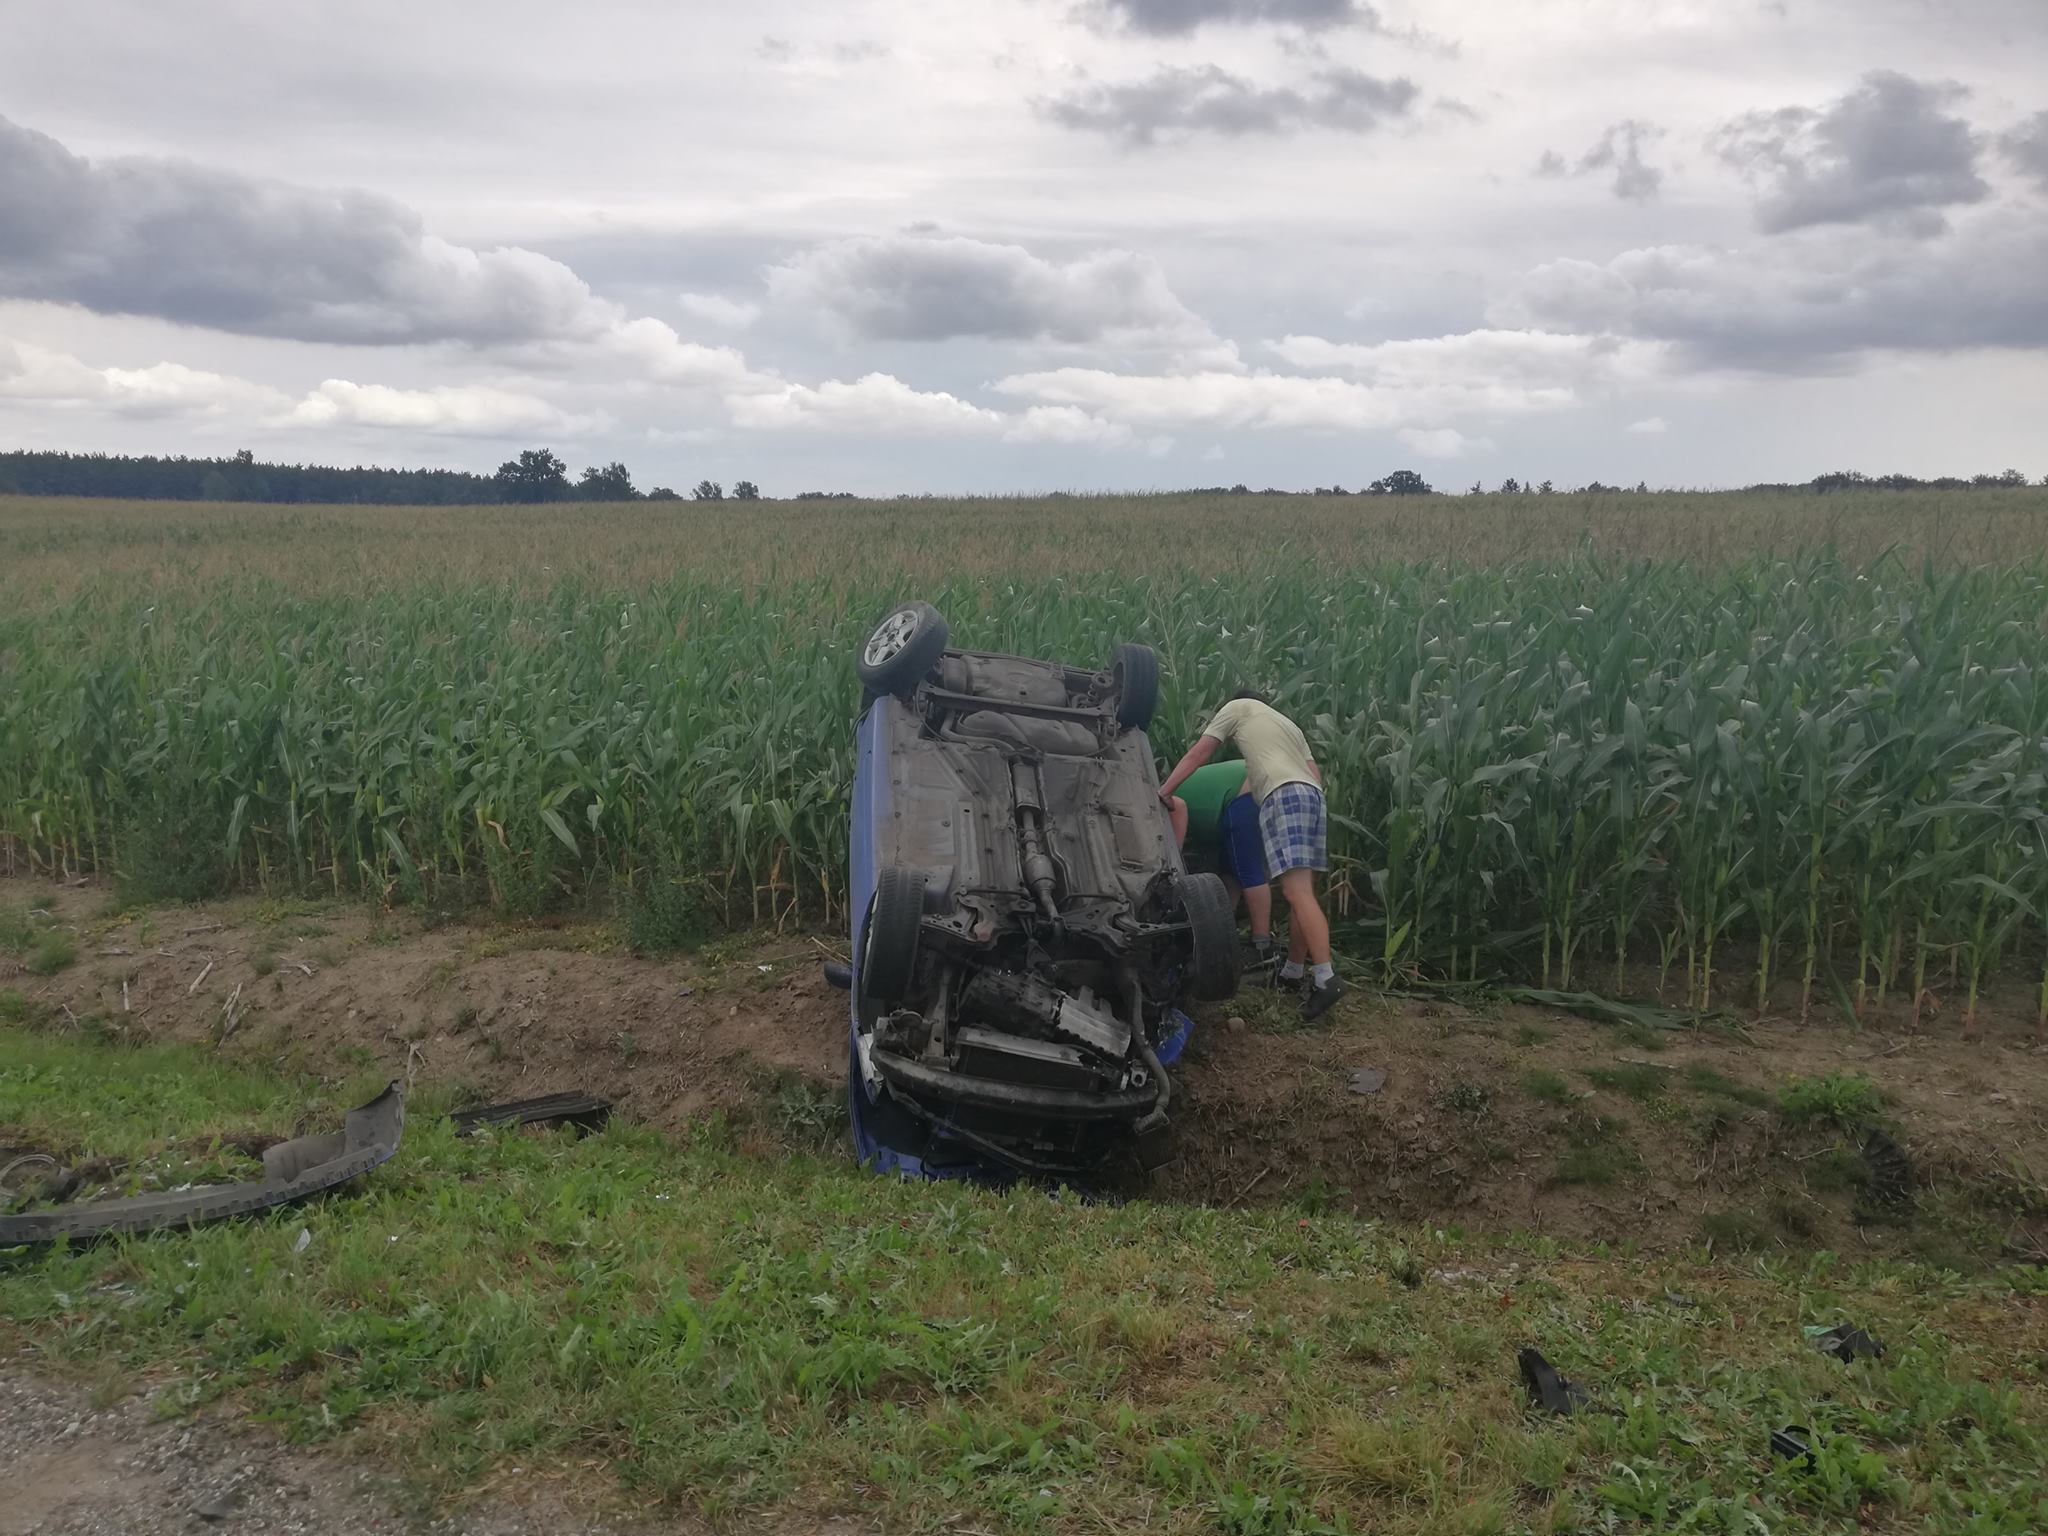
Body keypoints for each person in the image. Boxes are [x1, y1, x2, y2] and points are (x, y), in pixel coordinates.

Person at [1159, 691, 1344, 1020]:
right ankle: (1292, 971)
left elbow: (1200, 752)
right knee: (1303, 894)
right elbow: (1314, 773)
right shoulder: (1289, 726)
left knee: (1296, 892)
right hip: (1312, 796)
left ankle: (1326, 978)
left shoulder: (1237, 707)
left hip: (1282, 793)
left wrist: (1163, 791)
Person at [1165, 758, 1275, 967]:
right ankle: (1225, 933)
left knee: (1248, 870)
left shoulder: (1161, 798)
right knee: (1232, 870)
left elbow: (1177, 808)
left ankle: (1262, 948)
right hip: (1261, 785)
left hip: (1246, 791)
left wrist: (1173, 863)